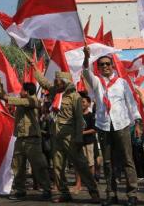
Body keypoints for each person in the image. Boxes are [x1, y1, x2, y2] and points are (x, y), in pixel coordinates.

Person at [82, 50, 141, 206]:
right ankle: (111, 193)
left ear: (113, 66)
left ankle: (132, 194)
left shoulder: (122, 83)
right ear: (98, 67)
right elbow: (85, 71)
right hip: (104, 126)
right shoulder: (96, 83)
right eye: (101, 65)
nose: (105, 67)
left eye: (108, 64)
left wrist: (137, 123)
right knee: (108, 162)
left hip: (121, 124)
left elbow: (131, 103)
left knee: (128, 161)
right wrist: (87, 57)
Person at [34, 68, 101, 203]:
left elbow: (79, 119)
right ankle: (64, 192)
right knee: (58, 166)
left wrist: (78, 138)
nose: (55, 82)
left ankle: (93, 191)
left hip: (70, 136)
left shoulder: (75, 97)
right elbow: (44, 83)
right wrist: (34, 67)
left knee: (81, 164)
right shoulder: (55, 92)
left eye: (57, 81)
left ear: (64, 82)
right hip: (56, 135)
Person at [0, 80, 51, 201]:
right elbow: (12, 99)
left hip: (32, 139)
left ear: (26, 92)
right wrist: (1, 91)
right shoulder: (21, 101)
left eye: (22, 90)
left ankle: (47, 189)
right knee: (17, 166)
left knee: (39, 165)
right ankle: (20, 190)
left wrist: (5, 97)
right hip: (20, 138)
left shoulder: (33, 100)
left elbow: (17, 101)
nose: (19, 92)